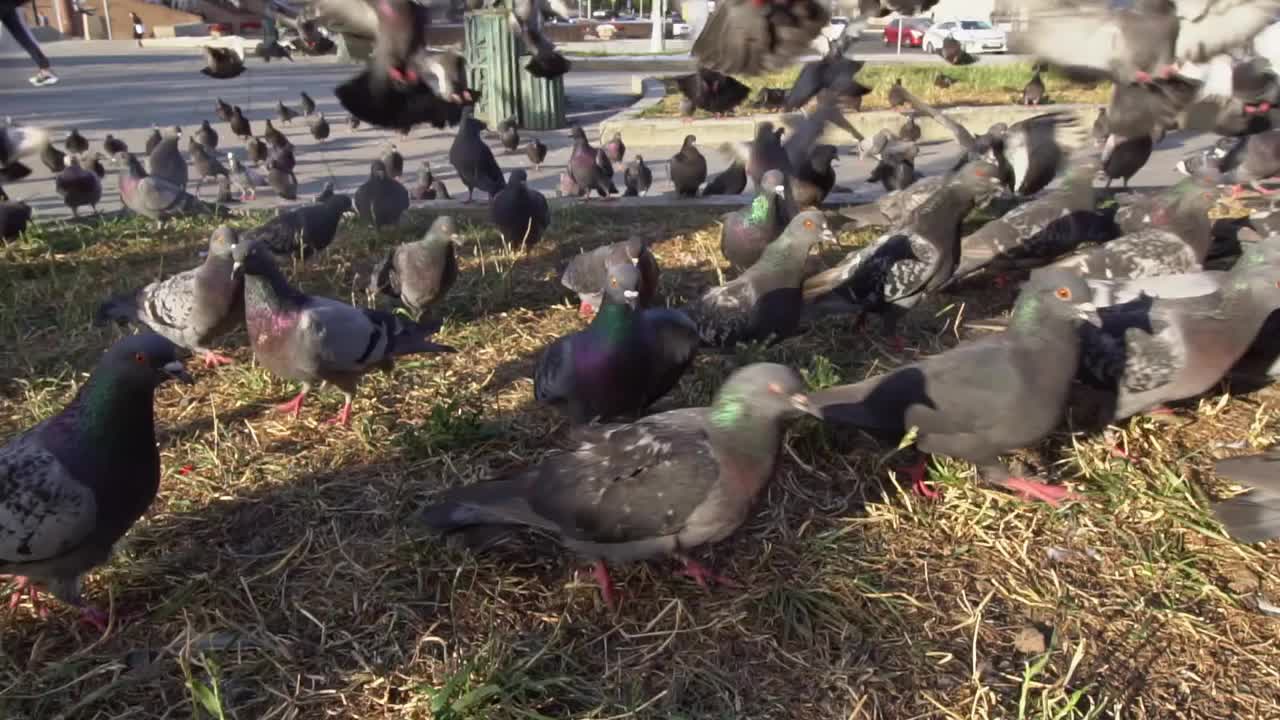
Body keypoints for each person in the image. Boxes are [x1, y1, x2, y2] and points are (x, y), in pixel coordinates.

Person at [0, 0, 58, 86]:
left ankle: (45, 71)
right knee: (22, 37)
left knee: (22, 36)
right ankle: (45, 70)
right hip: (8, 5)